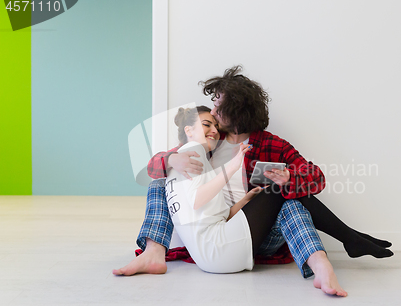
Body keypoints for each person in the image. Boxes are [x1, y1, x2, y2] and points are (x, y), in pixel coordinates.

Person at [115, 106, 348, 296]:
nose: (215, 115)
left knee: (289, 200)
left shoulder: (271, 144)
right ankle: (153, 253)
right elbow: (153, 167)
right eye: (210, 119)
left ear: (236, 107)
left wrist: (289, 178)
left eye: (219, 106)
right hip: (224, 237)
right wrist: (172, 159)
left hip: (260, 234)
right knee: (159, 183)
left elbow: (316, 177)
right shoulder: (203, 146)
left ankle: (320, 263)